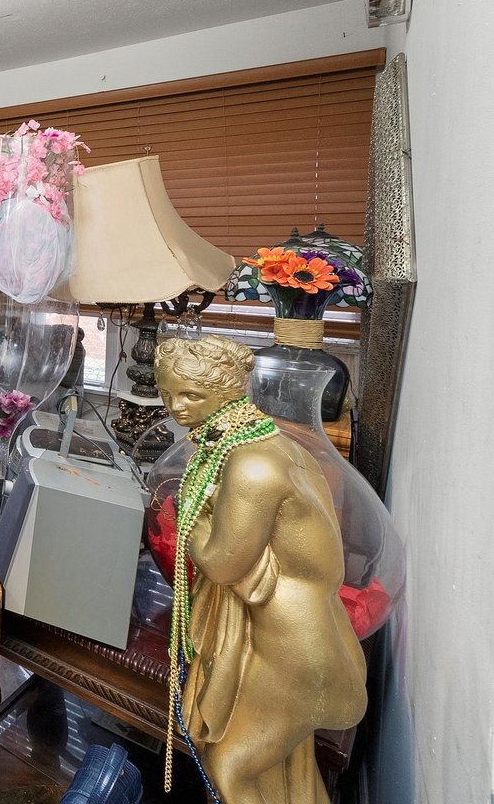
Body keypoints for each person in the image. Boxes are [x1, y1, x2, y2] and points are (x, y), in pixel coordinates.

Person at [154, 335, 365, 804]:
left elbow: (223, 564)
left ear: (228, 391)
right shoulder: (269, 440)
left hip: (290, 643)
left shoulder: (252, 466)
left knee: (233, 770)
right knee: (288, 768)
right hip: (285, 632)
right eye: (167, 393)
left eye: (191, 395)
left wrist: (189, 511)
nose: (176, 407)